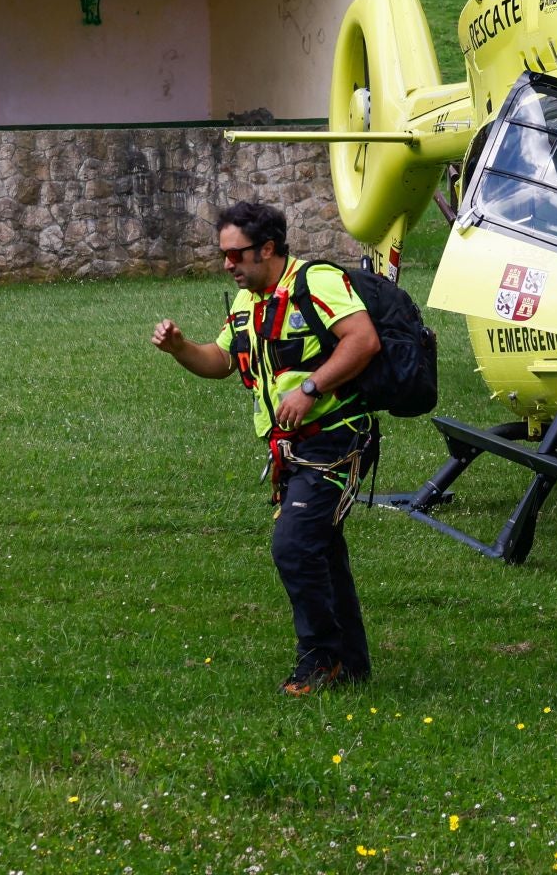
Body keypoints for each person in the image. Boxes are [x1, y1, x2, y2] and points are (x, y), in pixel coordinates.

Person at [151, 201, 383, 694]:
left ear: (269, 249)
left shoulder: (315, 284)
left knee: (295, 546)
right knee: (320, 546)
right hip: (291, 449)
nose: (228, 265)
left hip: (337, 436)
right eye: (224, 256)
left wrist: (311, 389)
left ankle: (320, 658)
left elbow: (362, 341)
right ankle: (351, 662)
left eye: (236, 255)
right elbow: (220, 361)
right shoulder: (247, 301)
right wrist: (180, 348)